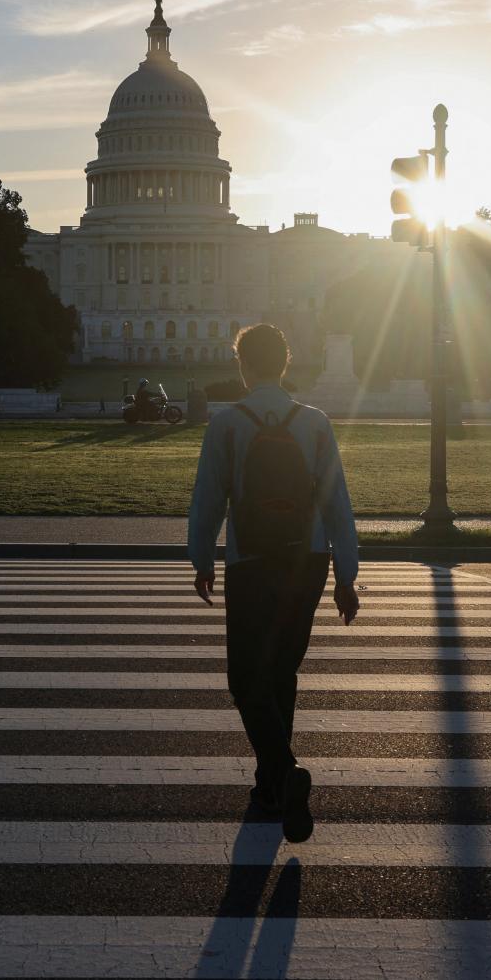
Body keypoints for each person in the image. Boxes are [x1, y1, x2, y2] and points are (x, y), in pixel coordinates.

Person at [186, 323, 360, 843]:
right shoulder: (314, 423)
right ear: (285, 364)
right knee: (281, 670)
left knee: (244, 677)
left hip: (251, 559)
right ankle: (270, 786)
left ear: (243, 364)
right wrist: (345, 576)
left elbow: (208, 500)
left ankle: (282, 774)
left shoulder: (227, 425)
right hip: (307, 558)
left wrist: (201, 559)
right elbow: (337, 503)